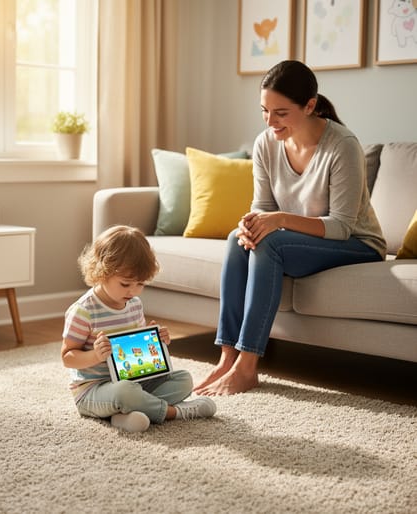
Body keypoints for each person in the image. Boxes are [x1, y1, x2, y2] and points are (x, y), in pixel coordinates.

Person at [194, 60, 386, 396]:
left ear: (309, 106)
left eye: (281, 113)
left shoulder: (342, 145)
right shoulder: (265, 143)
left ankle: (248, 367)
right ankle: (227, 358)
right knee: (238, 240)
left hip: (357, 243)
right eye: (264, 111)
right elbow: (263, 207)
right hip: (303, 241)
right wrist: (250, 224)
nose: (270, 122)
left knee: (271, 244)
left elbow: (342, 226)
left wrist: (280, 220)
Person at [62, 225, 217, 432]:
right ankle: (174, 412)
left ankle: (125, 414)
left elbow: (136, 353)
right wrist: (95, 355)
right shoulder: (84, 311)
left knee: (184, 379)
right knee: (125, 392)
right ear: (101, 272)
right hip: (93, 391)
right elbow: (67, 357)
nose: (133, 291)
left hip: (133, 382)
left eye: (140, 284)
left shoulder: (134, 304)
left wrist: (156, 342)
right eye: (125, 284)